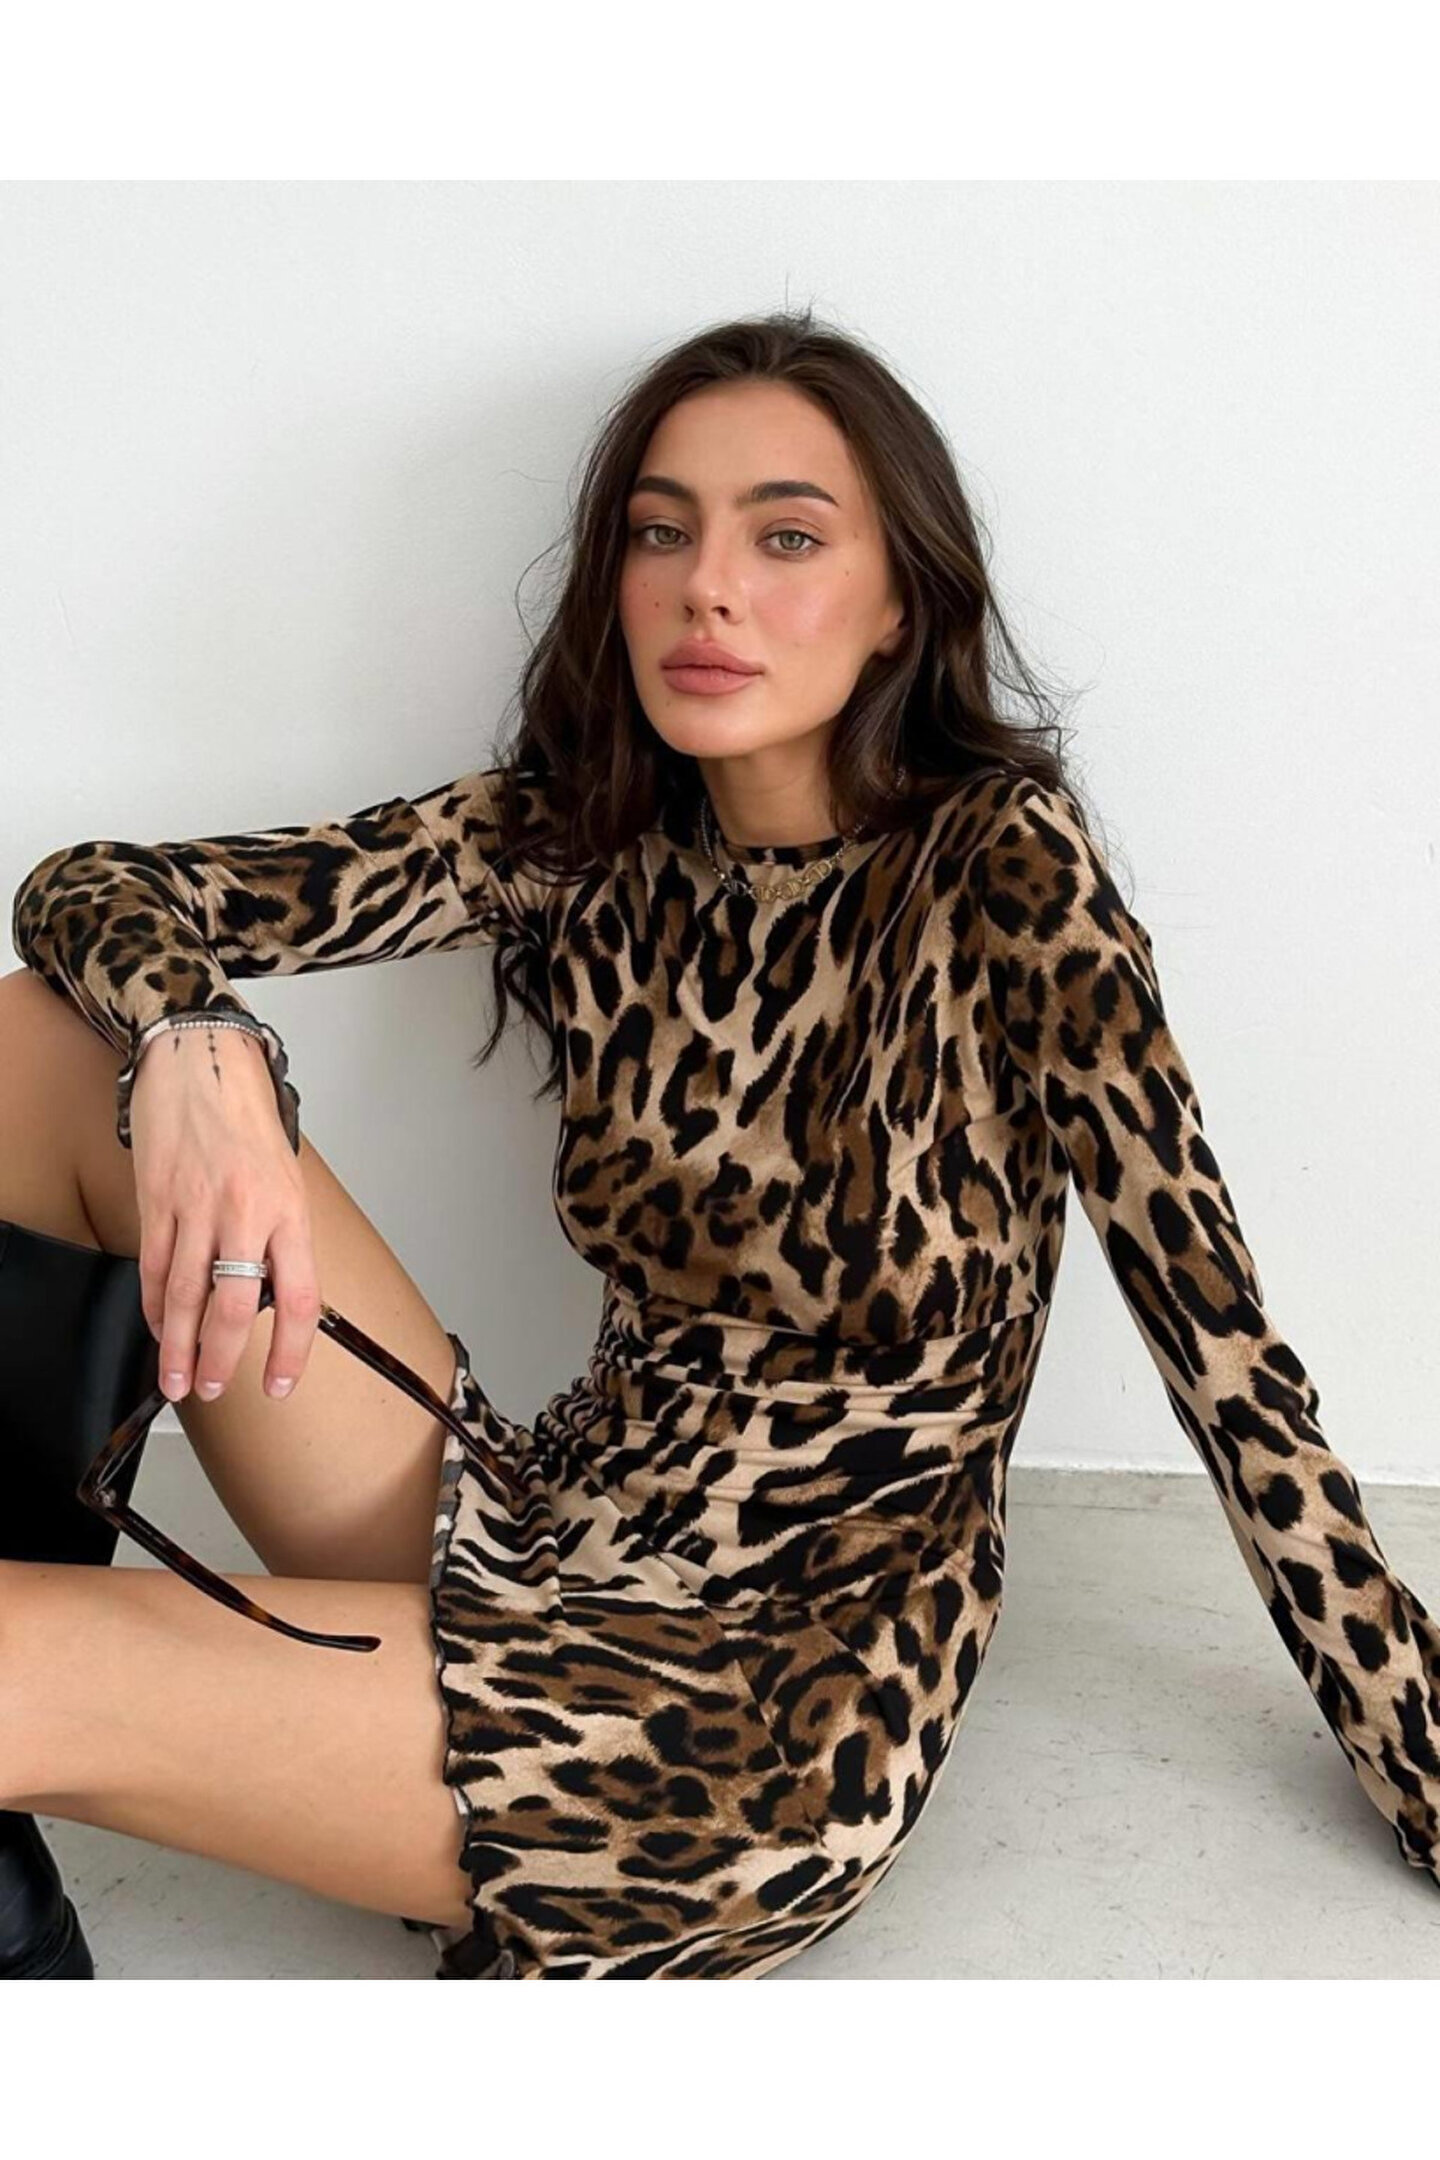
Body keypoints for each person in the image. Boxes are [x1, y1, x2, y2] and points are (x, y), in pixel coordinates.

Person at [3, 309, 1437, 1982]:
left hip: (753, 1701)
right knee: (50, 1040)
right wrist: (202, 1044)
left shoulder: (1001, 868)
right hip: (537, 1522)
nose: (710, 590)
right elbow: (95, 889)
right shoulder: (585, 828)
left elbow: (1228, 1365)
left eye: (788, 538)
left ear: (902, 601)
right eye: (662, 532)